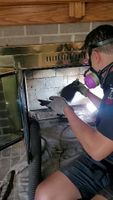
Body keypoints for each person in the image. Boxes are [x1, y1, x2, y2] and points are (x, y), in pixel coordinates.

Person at [35, 24, 113, 200]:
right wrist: (86, 92)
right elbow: (110, 114)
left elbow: (96, 149)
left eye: (88, 60)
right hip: (106, 160)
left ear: (96, 55)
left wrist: (66, 109)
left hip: (102, 153)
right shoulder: (110, 82)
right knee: (46, 194)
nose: (88, 64)